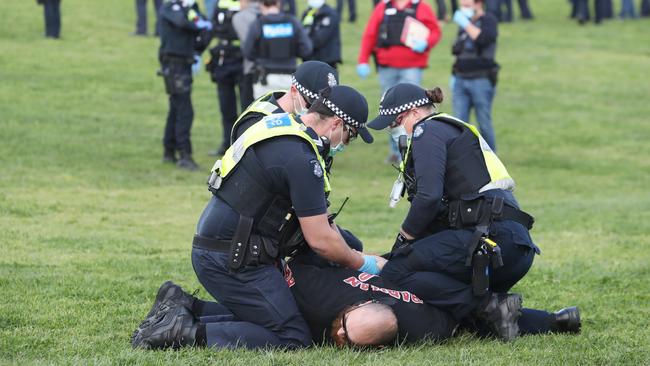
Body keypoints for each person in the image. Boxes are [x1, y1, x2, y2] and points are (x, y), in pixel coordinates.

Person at [132, 85, 382, 350]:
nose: (346, 144)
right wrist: (362, 262)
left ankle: (181, 305)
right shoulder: (301, 158)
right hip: (233, 259)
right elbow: (319, 239)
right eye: (350, 136)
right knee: (292, 335)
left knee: (270, 316)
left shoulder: (281, 126)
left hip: (223, 247)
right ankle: (182, 333)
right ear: (337, 123)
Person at [366, 83, 540, 341]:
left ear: (414, 112)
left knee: (397, 271)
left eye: (396, 121)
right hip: (514, 246)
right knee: (472, 316)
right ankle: (557, 320)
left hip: (490, 240)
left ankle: (490, 306)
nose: (394, 129)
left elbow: (428, 198)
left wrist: (401, 244)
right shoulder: (451, 130)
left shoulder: (428, 129)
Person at [130, 261, 580, 349]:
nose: (338, 338)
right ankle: (185, 321)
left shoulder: (423, 325)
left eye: (344, 342)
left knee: (481, 314)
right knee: (289, 334)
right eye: (344, 329)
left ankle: (183, 309)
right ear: (347, 309)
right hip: (289, 274)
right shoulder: (323, 302)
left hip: (428, 288)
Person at [356, 0, 441, 164]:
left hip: (412, 66)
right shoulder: (383, 7)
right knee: (390, 112)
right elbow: (370, 34)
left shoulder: (420, 7)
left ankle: (418, 146)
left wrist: (427, 42)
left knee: (413, 109)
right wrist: (363, 60)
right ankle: (397, 151)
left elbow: (435, 31)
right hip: (387, 67)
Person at [158, 0, 213, 170]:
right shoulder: (171, 7)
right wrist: (197, 23)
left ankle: (169, 150)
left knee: (176, 107)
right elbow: (182, 22)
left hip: (186, 62)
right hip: (174, 64)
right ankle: (184, 154)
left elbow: (206, 28)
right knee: (184, 110)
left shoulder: (191, 8)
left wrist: (198, 49)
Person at [230, 60, 340, 142]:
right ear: (294, 91)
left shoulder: (295, 119)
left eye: (323, 109)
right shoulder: (258, 121)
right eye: (311, 104)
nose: (316, 112)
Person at [205, 0, 255, 157]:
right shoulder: (221, 2)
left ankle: (246, 144)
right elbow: (213, 26)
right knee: (226, 105)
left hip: (242, 55)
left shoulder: (248, 3)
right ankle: (226, 143)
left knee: (246, 105)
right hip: (224, 56)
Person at [450, 0, 499, 151]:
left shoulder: (488, 20)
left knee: (484, 123)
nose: (463, 7)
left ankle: (491, 159)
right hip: (460, 79)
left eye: (466, 4)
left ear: (478, 3)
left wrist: (466, 24)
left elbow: (483, 39)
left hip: (481, 80)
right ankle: (462, 159)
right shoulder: (464, 25)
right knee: (459, 125)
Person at [242, 0, 313, 98]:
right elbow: (307, 49)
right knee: (290, 112)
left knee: (265, 112)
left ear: (261, 4)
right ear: (279, 3)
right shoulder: (292, 22)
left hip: (266, 78)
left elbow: (247, 52)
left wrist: (261, 58)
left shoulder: (258, 23)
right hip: (290, 77)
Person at [301, 0, 342, 69]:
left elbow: (320, 38)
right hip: (310, 59)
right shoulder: (308, 13)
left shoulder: (329, 14)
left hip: (326, 61)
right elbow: (302, 31)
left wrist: (306, 45)